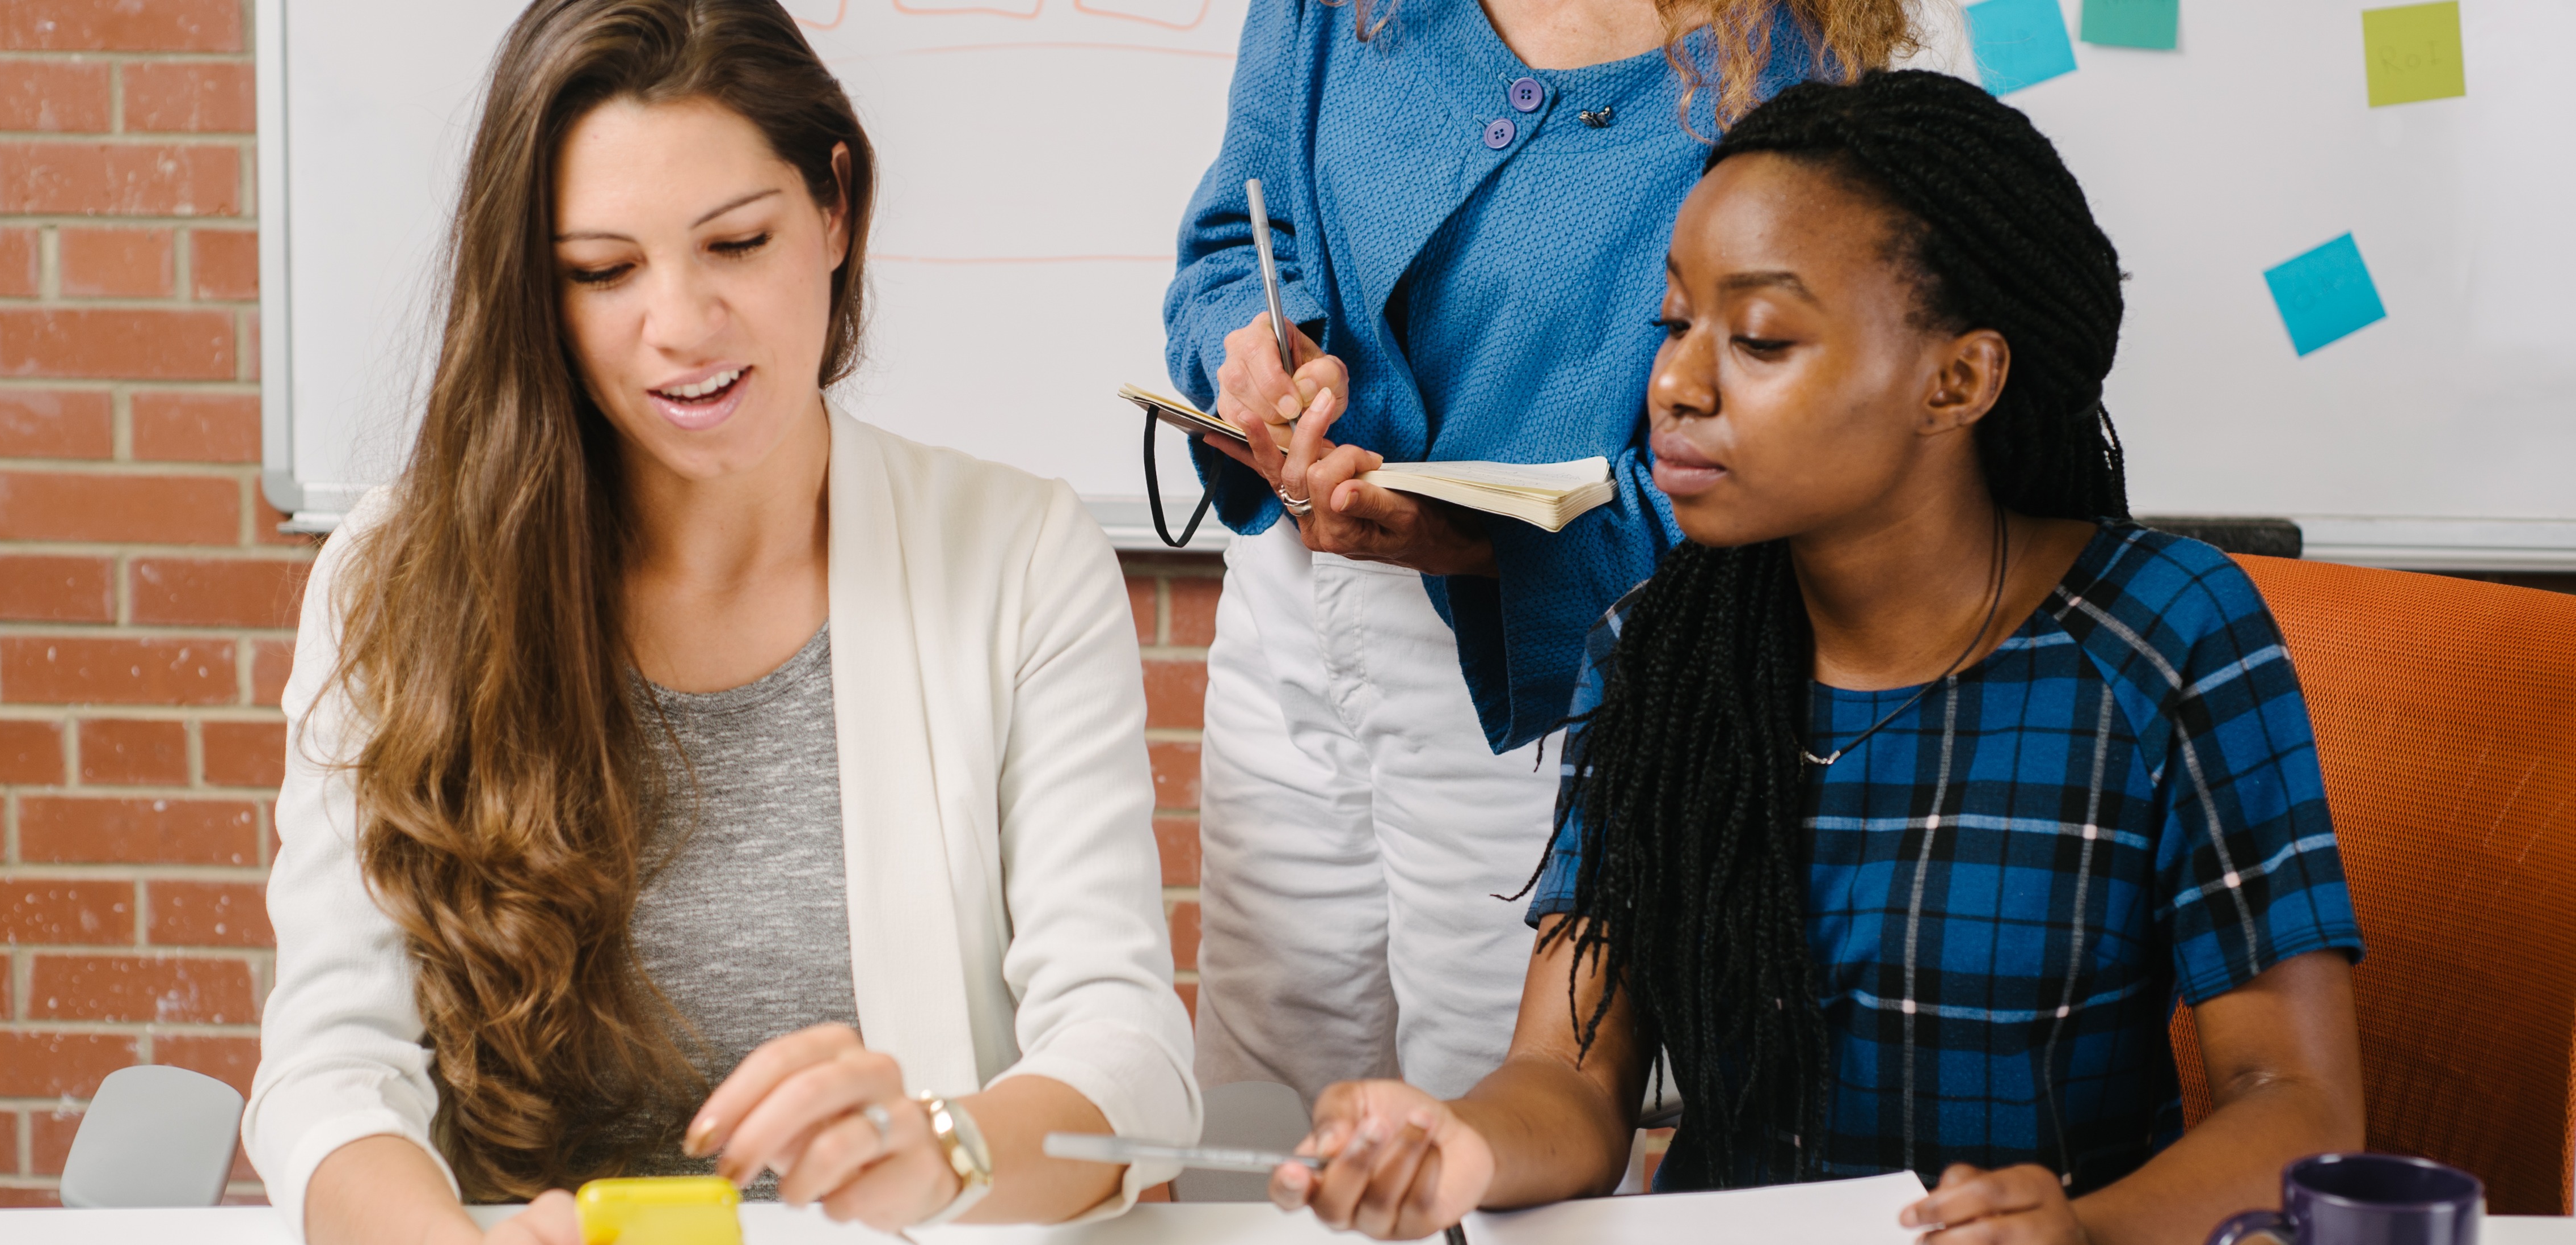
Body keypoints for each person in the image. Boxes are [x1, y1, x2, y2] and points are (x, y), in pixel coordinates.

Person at [1267, 71, 2368, 1244]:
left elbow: (2297, 1108)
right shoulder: (1663, 653)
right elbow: (1573, 1082)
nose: (1677, 386)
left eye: (1756, 338)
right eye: (1674, 325)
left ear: (1958, 380)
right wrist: (1460, 1144)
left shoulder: (2168, 633)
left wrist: (2086, 1232)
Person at [244, 2, 1197, 1241]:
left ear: (835, 208)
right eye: (601, 270)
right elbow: (327, 1070)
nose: (681, 326)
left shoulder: (1014, 559)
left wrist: (946, 1147)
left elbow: (1126, 1059)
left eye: (736, 243)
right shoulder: (397, 575)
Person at [1161, 0, 1933, 1109]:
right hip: (1286, 607)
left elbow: (1778, 465)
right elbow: (1239, 241)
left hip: (1542, 678)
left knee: (1490, 1119)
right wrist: (1257, 354)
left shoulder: (1799, 78)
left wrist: (1475, 546)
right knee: (1259, 1097)